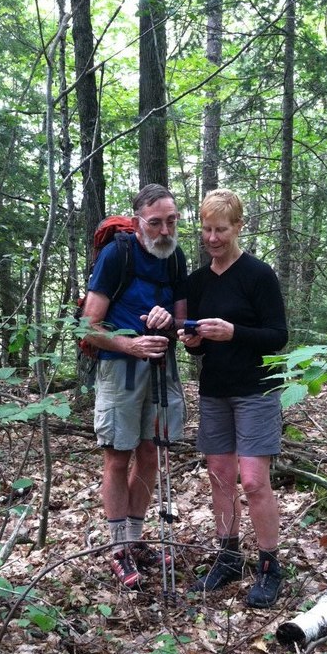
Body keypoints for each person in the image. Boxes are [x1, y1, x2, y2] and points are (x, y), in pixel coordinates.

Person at [178, 188, 288, 608]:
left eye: (221, 229)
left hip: (256, 391)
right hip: (215, 391)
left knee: (255, 482)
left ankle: (269, 566)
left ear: (238, 227)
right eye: (206, 229)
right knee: (220, 477)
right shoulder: (198, 281)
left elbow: (278, 336)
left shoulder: (258, 275)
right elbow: (200, 345)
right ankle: (227, 556)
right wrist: (193, 342)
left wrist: (235, 332)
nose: (212, 238)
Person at [83, 184, 187, 589]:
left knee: (149, 455)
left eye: (172, 221)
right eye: (156, 222)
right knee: (117, 457)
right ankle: (117, 548)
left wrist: (168, 323)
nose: (164, 230)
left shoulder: (175, 257)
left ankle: (135, 538)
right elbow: (88, 326)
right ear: (139, 221)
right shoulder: (117, 254)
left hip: (161, 369)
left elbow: (182, 323)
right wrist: (130, 344)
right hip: (119, 369)